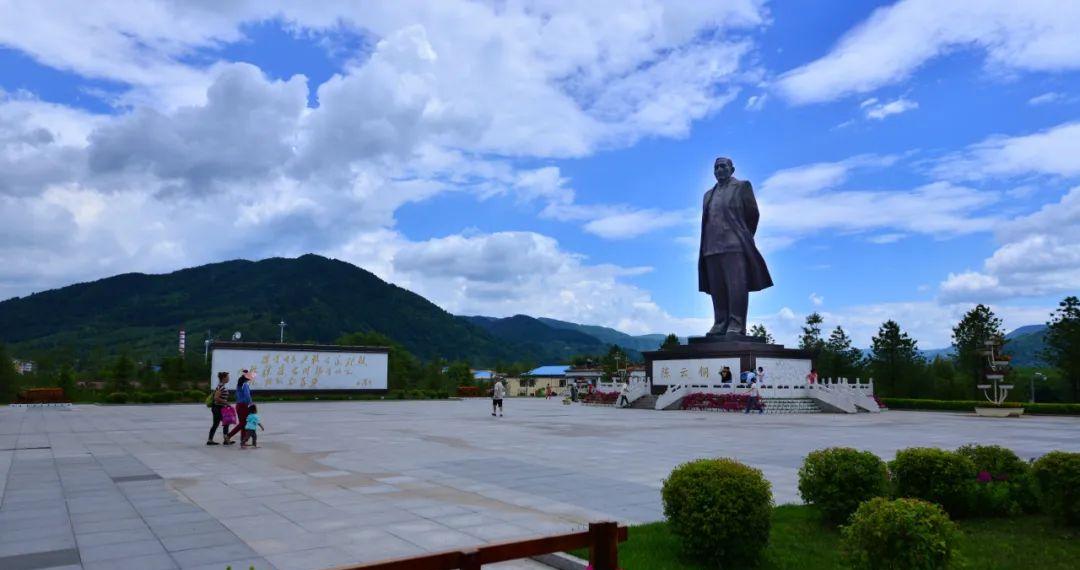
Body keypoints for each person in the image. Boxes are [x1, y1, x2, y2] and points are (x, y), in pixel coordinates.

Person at [225, 369, 254, 445]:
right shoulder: (245, 385)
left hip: (239, 405)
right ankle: (229, 436)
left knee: (243, 423)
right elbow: (247, 396)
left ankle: (242, 440)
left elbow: (237, 396)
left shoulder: (239, 385)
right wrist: (251, 404)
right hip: (243, 406)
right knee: (243, 424)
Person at [206, 372, 229, 445]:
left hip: (219, 408)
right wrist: (225, 402)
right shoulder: (221, 387)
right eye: (227, 377)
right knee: (225, 422)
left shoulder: (221, 386)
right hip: (218, 408)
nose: (228, 378)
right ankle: (225, 440)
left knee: (217, 423)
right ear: (223, 378)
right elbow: (216, 398)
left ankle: (210, 440)